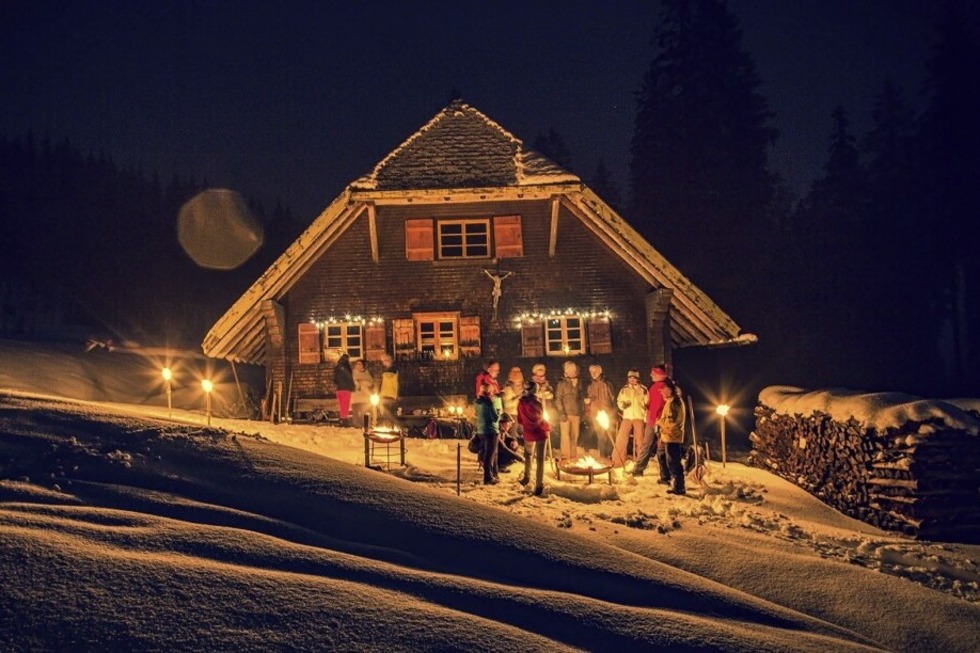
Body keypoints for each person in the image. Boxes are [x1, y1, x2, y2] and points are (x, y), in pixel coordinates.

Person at [633, 365, 670, 477]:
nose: (650, 375)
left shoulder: (665, 387)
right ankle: (638, 469)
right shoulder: (653, 387)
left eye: (653, 374)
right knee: (647, 445)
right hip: (651, 421)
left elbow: (662, 406)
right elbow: (650, 403)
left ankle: (665, 475)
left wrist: (659, 421)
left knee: (662, 449)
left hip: (660, 423)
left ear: (659, 375)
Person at [517, 381, 550, 496]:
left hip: (528, 433)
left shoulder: (521, 402)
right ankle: (539, 485)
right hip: (540, 433)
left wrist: (527, 423)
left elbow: (520, 420)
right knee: (540, 460)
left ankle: (527, 477)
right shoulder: (537, 403)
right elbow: (540, 419)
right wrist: (547, 426)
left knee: (528, 455)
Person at [656, 378, 688, 495]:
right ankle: (667, 478)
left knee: (673, 460)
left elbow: (672, 422)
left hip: (672, 436)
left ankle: (679, 486)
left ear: (669, 390)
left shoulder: (675, 403)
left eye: (662, 389)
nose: (661, 391)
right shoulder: (670, 401)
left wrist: (661, 424)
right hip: (666, 435)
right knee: (662, 455)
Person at [613, 369, 648, 467]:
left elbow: (647, 403)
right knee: (621, 438)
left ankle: (640, 461)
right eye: (630, 378)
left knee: (640, 440)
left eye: (634, 378)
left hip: (638, 417)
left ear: (638, 379)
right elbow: (619, 401)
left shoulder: (643, 390)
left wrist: (645, 412)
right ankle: (618, 461)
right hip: (627, 417)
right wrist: (622, 406)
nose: (632, 380)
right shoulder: (624, 389)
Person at [554, 360, 585, 460]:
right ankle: (565, 457)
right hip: (565, 414)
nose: (572, 372)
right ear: (565, 372)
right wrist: (561, 413)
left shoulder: (579, 382)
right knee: (565, 436)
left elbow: (581, 397)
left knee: (574, 436)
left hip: (576, 414)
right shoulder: (561, 383)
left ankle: (573, 457)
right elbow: (558, 398)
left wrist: (582, 411)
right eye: (569, 370)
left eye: (573, 370)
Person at [585, 364, 617, 460]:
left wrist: (614, 413)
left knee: (609, 434)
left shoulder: (607, 384)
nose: (593, 374)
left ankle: (611, 455)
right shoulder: (590, 385)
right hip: (596, 414)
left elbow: (613, 399)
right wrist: (588, 402)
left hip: (607, 413)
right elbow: (588, 398)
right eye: (591, 372)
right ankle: (603, 456)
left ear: (600, 372)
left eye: (595, 371)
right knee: (600, 435)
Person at [474, 381, 500, 484]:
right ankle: (488, 478)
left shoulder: (477, 402)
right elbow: (495, 418)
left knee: (486, 453)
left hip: (481, 430)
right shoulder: (489, 403)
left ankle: (491, 475)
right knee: (490, 455)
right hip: (491, 431)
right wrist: (498, 413)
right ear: (489, 392)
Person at [500, 366, 524, 438]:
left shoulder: (521, 390)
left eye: (520, 381)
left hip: (519, 413)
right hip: (511, 414)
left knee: (522, 430)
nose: (518, 383)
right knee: (513, 431)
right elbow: (507, 404)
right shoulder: (508, 390)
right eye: (516, 381)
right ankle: (512, 445)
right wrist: (517, 399)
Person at [350, 358, 375, 426]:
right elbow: (355, 384)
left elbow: (370, 382)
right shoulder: (353, 373)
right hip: (356, 397)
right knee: (356, 414)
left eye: (361, 364)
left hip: (364, 397)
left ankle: (365, 426)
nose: (359, 366)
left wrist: (361, 382)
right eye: (358, 364)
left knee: (364, 412)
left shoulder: (366, 373)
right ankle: (357, 427)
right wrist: (362, 383)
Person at [333, 353, 355, 426]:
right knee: (345, 406)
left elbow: (334, 379)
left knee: (341, 406)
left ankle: (341, 420)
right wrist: (352, 386)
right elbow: (349, 377)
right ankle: (344, 422)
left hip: (339, 389)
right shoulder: (346, 367)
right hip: (346, 389)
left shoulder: (337, 367)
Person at [378, 353, 399, 423]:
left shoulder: (384, 373)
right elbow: (397, 384)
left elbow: (382, 385)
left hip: (384, 394)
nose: (383, 362)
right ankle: (392, 426)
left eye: (384, 360)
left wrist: (379, 394)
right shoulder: (395, 371)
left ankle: (389, 426)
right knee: (391, 413)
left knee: (385, 413)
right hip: (392, 395)